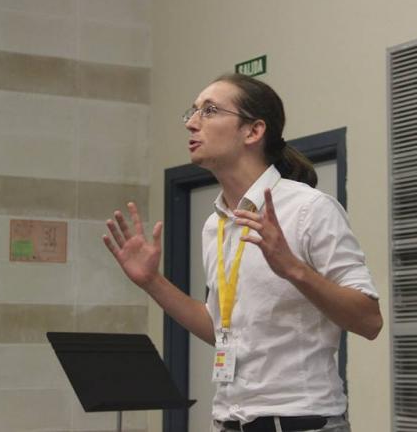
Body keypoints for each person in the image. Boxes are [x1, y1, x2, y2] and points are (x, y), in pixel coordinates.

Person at [102, 74, 383, 432]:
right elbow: (219, 329)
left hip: (299, 423)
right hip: (228, 421)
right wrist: (152, 282)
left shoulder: (309, 210)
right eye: (193, 111)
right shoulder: (214, 225)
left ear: (252, 132)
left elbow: (370, 320)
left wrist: (293, 269)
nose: (191, 122)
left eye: (210, 110)